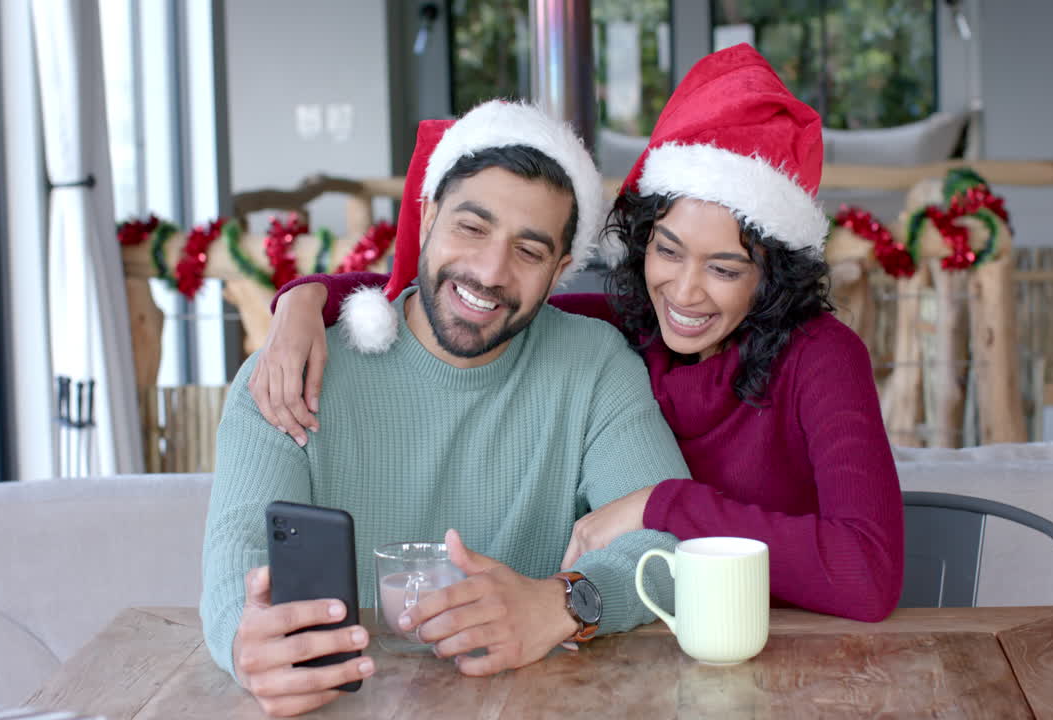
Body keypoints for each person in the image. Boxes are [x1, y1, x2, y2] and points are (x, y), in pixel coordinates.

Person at [251, 44, 905, 630]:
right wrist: (305, 302)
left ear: (774, 277)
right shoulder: (632, 325)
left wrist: (662, 503)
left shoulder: (821, 358)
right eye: (668, 251)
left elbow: (868, 575)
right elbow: (473, 295)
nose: (685, 292)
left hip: (794, 643)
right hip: (655, 641)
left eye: (726, 269)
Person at [201, 99, 690, 718]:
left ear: (560, 270)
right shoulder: (290, 371)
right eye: (471, 226)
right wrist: (245, 642)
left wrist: (565, 603)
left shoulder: (594, 367)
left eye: (529, 251)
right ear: (427, 215)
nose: (489, 270)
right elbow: (235, 557)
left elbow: (673, 541)